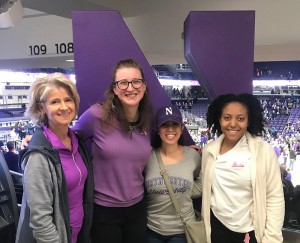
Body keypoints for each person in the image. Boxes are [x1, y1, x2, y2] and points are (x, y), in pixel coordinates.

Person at [73, 59, 153, 243]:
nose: (130, 88)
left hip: (137, 209)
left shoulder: (147, 122)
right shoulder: (96, 115)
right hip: (105, 212)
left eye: (136, 81)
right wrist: (42, 138)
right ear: (115, 89)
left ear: (144, 86)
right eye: (123, 83)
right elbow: (67, 138)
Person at [15, 73, 94, 243]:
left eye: (68, 99)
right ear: (42, 108)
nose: (64, 107)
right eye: (55, 102)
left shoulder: (77, 143)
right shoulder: (38, 156)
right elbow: (41, 222)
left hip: (78, 234)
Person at [201, 93, 284, 243]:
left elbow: (274, 197)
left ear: (248, 121)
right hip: (217, 228)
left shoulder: (263, 151)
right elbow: (204, 186)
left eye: (240, 118)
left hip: (250, 230)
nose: (233, 124)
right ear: (219, 120)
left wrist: (272, 238)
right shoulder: (209, 151)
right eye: (227, 118)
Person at [145, 105, 201, 243]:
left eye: (174, 124)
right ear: (157, 130)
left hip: (182, 230)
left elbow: (203, 181)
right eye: (165, 125)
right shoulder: (147, 157)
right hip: (152, 229)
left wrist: (185, 191)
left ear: (182, 128)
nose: (170, 129)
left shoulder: (193, 155)